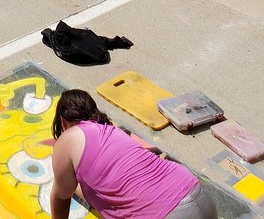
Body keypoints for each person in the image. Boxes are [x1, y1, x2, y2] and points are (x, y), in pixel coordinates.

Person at [50, 89, 218, 219]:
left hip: (164, 213)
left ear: (63, 122)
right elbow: (95, 192)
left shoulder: (68, 139)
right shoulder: (113, 131)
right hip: (199, 196)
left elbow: (60, 198)